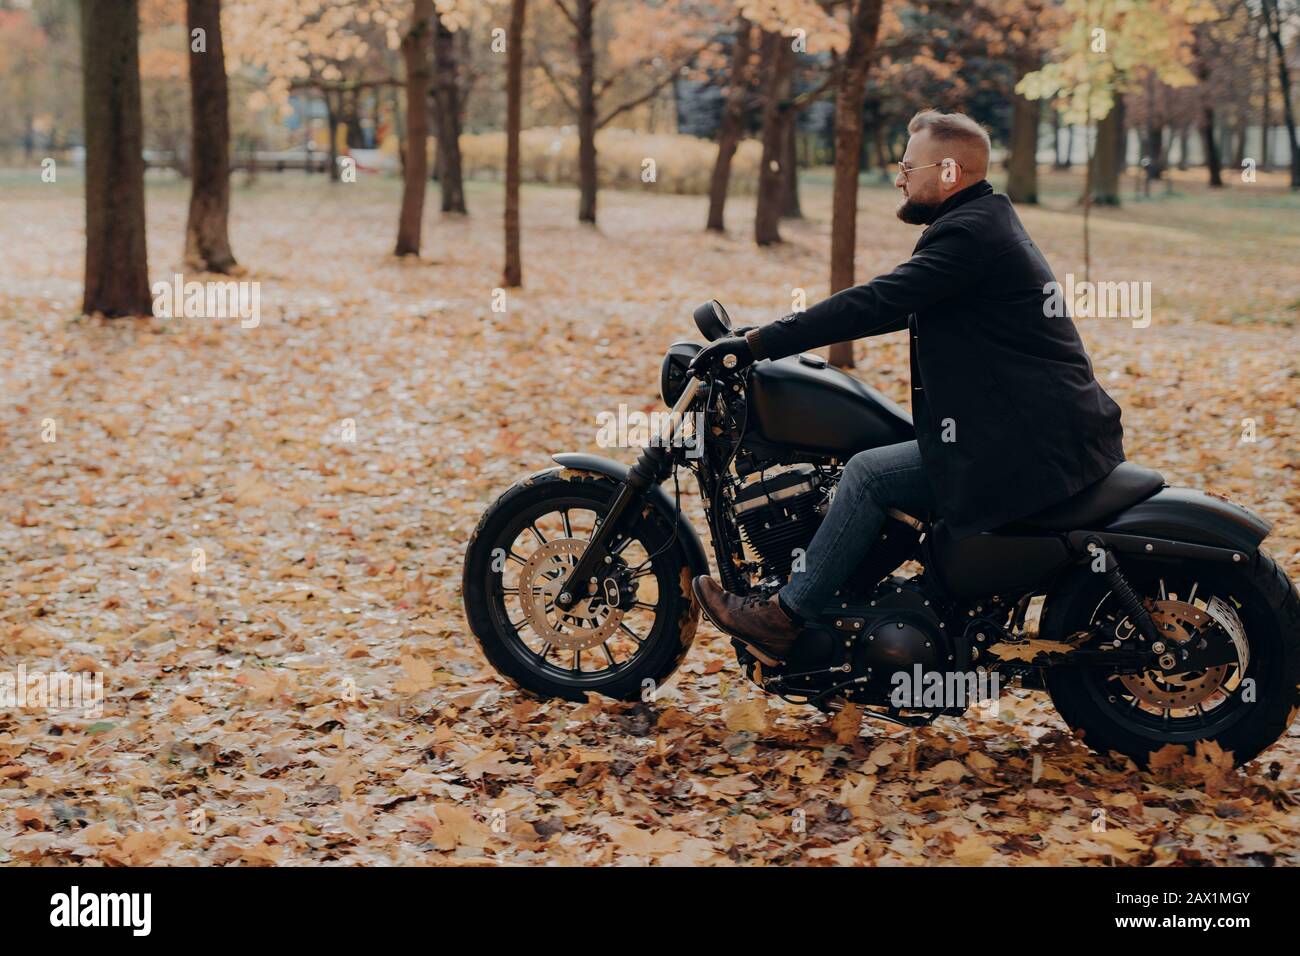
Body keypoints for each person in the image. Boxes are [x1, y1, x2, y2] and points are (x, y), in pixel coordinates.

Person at [689, 108, 1126, 668]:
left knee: (868, 475)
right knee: (878, 454)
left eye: (906, 165)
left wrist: (756, 343)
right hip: (1036, 430)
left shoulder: (970, 235)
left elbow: (878, 301)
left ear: (948, 172)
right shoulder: (982, 222)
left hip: (1029, 445)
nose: (899, 176)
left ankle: (784, 618)